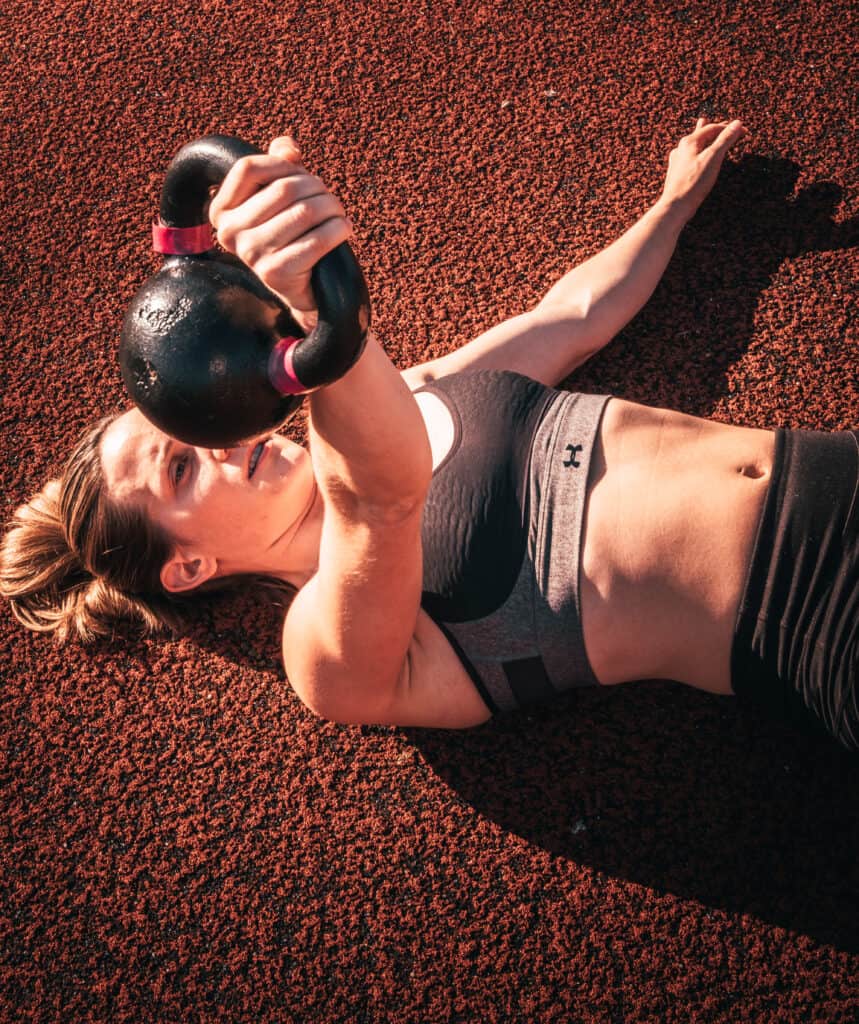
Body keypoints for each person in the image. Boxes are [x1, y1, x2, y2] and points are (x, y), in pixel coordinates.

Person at [2, 119, 856, 753]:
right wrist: (314, 307)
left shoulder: (402, 392)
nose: (221, 439)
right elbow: (379, 497)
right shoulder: (324, 658)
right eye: (184, 466)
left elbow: (569, 318)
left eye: (198, 420)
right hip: (811, 620)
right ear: (187, 566)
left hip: (830, 466)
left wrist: (670, 208)